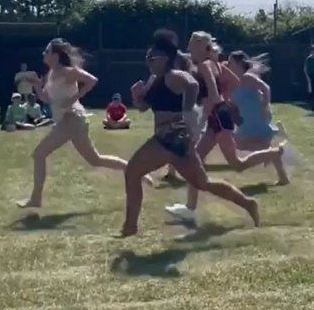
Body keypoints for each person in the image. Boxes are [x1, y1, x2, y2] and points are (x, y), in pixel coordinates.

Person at [121, 30, 260, 238]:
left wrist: (187, 114)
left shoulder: (173, 75)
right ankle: (248, 203)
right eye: (147, 58)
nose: (148, 61)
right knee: (203, 183)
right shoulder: (154, 79)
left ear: (166, 59)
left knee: (133, 171)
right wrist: (136, 95)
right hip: (176, 140)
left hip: (170, 136)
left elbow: (192, 84)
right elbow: (142, 107)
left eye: (152, 58)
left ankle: (130, 226)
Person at [164, 32, 285, 224]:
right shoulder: (217, 64)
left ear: (200, 47)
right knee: (195, 160)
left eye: (191, 46)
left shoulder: (206, 65)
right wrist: (224, 100)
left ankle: (274, 153)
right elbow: (236, 82)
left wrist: (210, 112)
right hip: (219, 116)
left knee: (237, 164)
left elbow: (213, 94)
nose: (188, 49)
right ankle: (189, 208)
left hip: (218, 117)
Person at [16, 39, 129, 209]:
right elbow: (46, 98)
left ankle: (35, 198)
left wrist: (74, 98)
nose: (43, 54)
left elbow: (92, 80)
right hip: (69, 122)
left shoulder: (67, 72)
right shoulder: (51, 74)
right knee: (95, 160)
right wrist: (38, 85)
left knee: (39, 154)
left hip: (72, 119)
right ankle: (132, 169)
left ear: (55, 55)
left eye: (47, 51)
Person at [221, 50, 291, 185]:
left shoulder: (247, 77)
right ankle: (281, 172)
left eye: (231, 62)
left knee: (241, 143)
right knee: (262, 145)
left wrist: (264, 106)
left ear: (239, 64)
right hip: (246, 118)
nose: (228, 64)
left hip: (256, 115)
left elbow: (266, 88)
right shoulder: (233, 81)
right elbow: (233, 101)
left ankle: (275, 153)